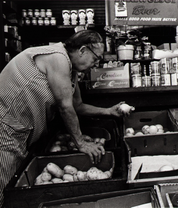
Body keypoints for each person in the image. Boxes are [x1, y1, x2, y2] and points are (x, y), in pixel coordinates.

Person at [0, 30, 133, 206]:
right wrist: (81, 143)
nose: (96, 64)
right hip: (6, 127)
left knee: (18, 187)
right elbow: (65, 107)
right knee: (7, 189)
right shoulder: (58, 57)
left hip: (22, 131)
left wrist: (108, 111)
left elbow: (77, 106)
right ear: (83, 50)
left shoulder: (72, 70)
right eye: (96, 58)